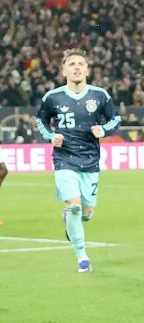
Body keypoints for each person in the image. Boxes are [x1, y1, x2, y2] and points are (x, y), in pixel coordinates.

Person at [35, 49, 121, 272]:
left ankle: (72, 219)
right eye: (71, 63)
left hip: (90, 160)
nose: (76, 67)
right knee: (74, 207)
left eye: (80, 63)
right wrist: (51, 137)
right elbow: (41, 121)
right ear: (64, 70)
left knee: (86, 213)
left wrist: (103, 129)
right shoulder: (52, 97)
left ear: (87, 70)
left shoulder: (99, 95)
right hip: (64, 160)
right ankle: (82, 257)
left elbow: (116, 119)